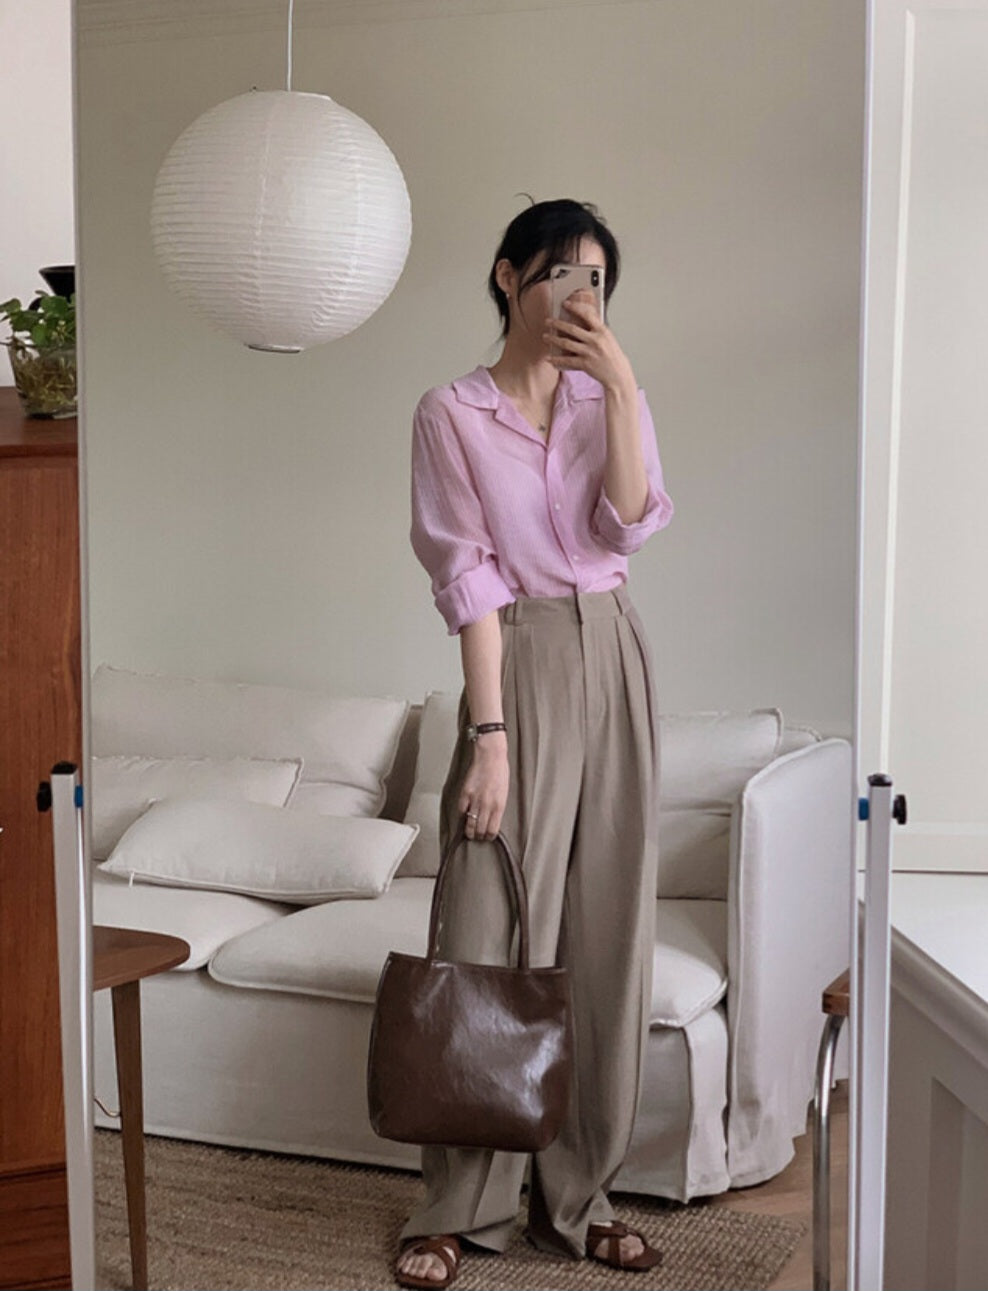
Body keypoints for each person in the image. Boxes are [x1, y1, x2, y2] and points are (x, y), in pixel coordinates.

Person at [396, 198, 674, 1289]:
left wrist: (624, 388)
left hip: (615, 649)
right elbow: (466, 577)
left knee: (605, 932)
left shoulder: (610, 398)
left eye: (595, 278)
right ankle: (456, 1206)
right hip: (517, 654)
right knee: (486, 919)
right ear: (510, 277)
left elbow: (629, 521)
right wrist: (491, 734)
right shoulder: (451, 412)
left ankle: (579, 1198)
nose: (576, 295)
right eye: (559, 272)